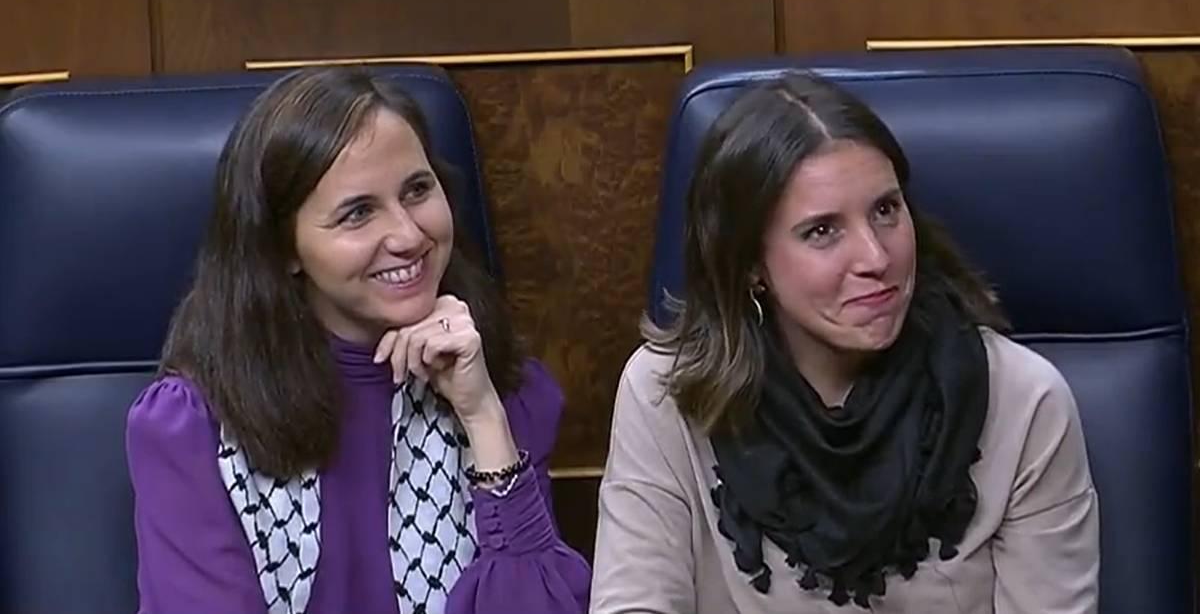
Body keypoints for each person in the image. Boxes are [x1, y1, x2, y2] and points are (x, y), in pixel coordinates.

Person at [590, 73, 1099, 613]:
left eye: (886, 210)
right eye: (822, 231)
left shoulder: (1023, 402)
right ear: (750, 266)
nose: (876, 259)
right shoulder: (666, 393)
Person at [126, 66, 591, 614]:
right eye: (358, 213)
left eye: (417, 190)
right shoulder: (192, 427)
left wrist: (483, 415)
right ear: (284, 250)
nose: (408, 235)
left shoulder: (502, 385)